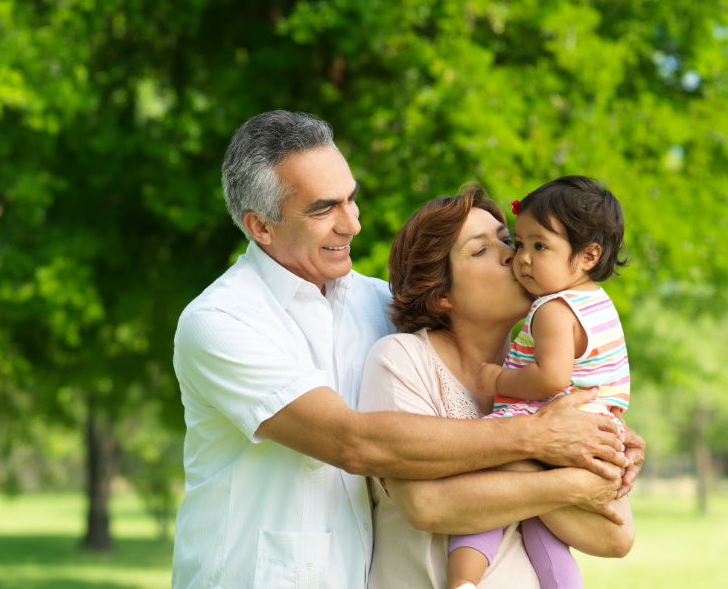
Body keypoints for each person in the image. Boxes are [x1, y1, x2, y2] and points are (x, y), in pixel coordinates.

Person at [171, 110, 643, 589]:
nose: (353, 224)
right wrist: (545, 442)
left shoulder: (379, 305)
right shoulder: (221, 322)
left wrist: (607, 443)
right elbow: (354, 444)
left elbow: (616, 535)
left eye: (352, 200)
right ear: (261, 227)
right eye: (323, 208)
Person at [358, 185, 636, 589]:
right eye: (480, 250)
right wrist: (565, 475)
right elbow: (426, 504)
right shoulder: (401, 360)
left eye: (508, 240)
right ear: (441, 295)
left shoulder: (553, 373)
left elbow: (615, 535)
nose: (514, 255)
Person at [446, 177, 632, 589]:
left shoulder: (554, 309)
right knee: (542, 531)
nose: (522, 259)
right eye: (521, 243)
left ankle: (462, 580)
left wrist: (499, 378)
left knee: (488, 496)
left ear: (588, 255)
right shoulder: (596, 301)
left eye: (540, 246)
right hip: (599, 430)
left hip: (556, 424)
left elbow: (552, 379)